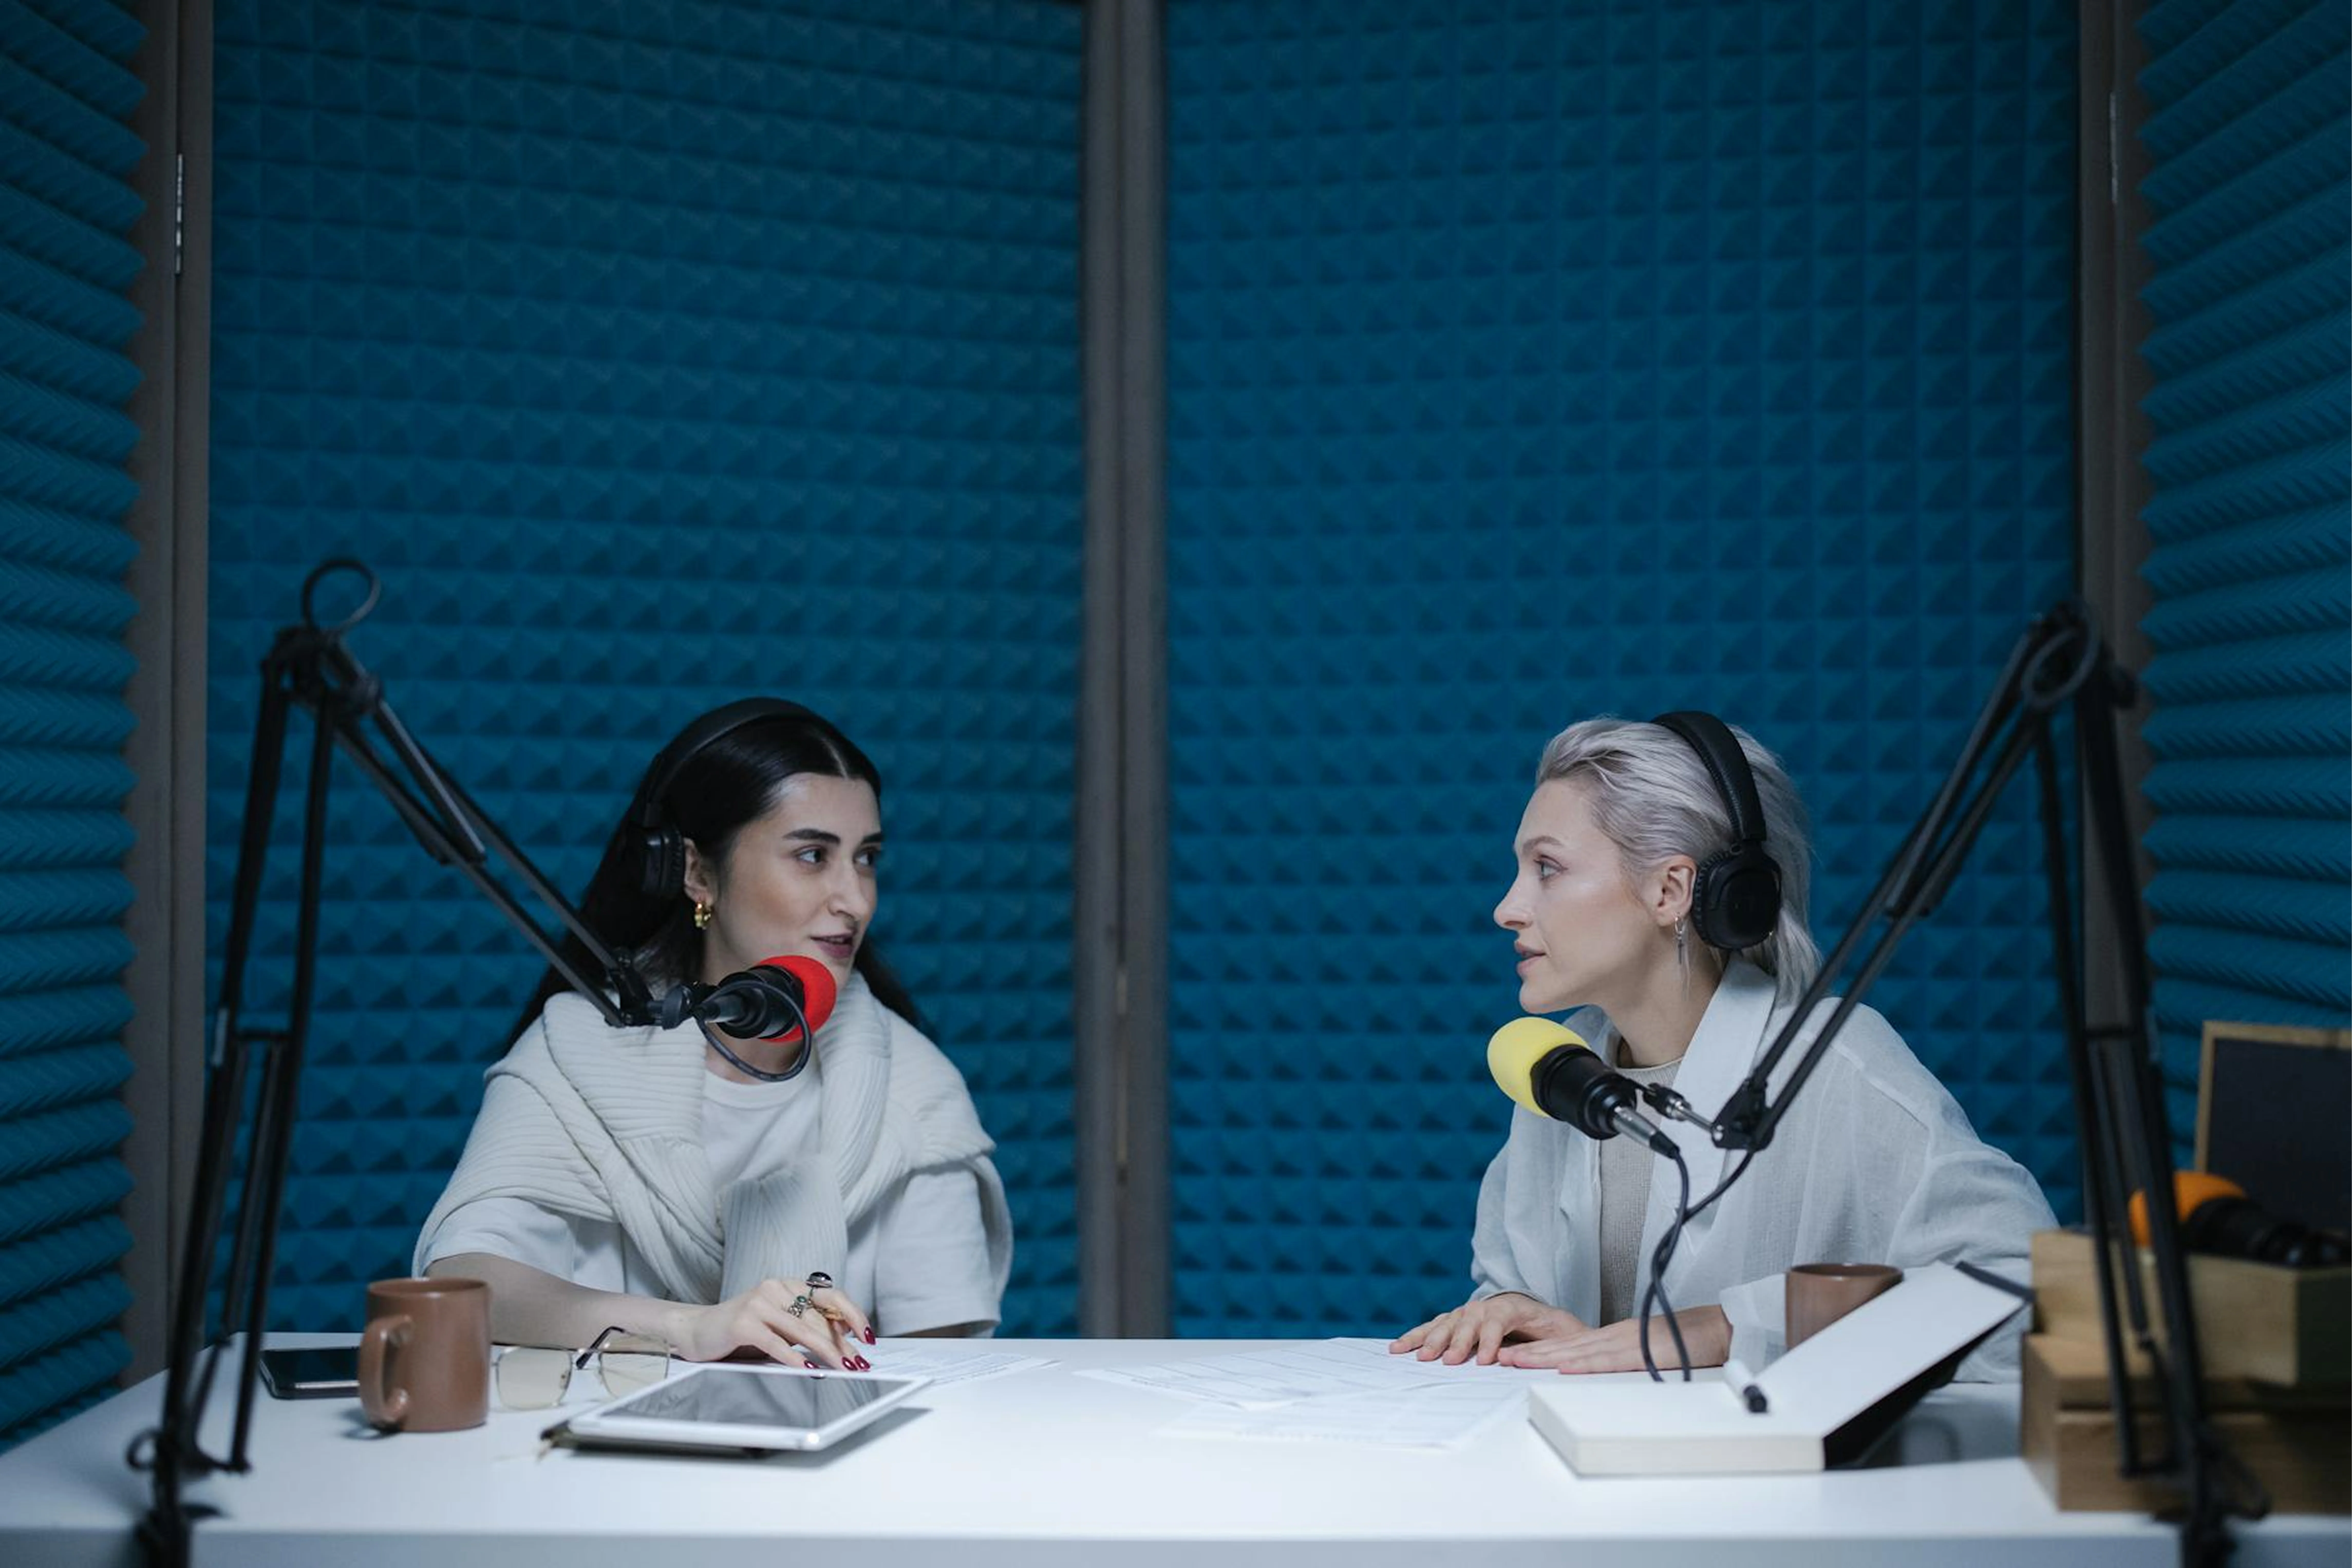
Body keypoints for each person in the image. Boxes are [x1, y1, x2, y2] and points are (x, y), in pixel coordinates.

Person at [1390, 713, 2054, 1379]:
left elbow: (2026, 1294)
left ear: (1670, 890)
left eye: (1547, 868)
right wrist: (1510, 1309)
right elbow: (1527, 1285)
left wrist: (1732, 1325)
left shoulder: (1834, 1065)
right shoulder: (1559, 1068)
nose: (1507, 908)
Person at [418, 698, 1010, 1367]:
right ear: (698, 874)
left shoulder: (915, 1089)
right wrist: (691, 1327)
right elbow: (467, 1283)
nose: (856, 899)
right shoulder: (578, 1053)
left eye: (866, 858)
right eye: (813, 855)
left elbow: (944, 1367)